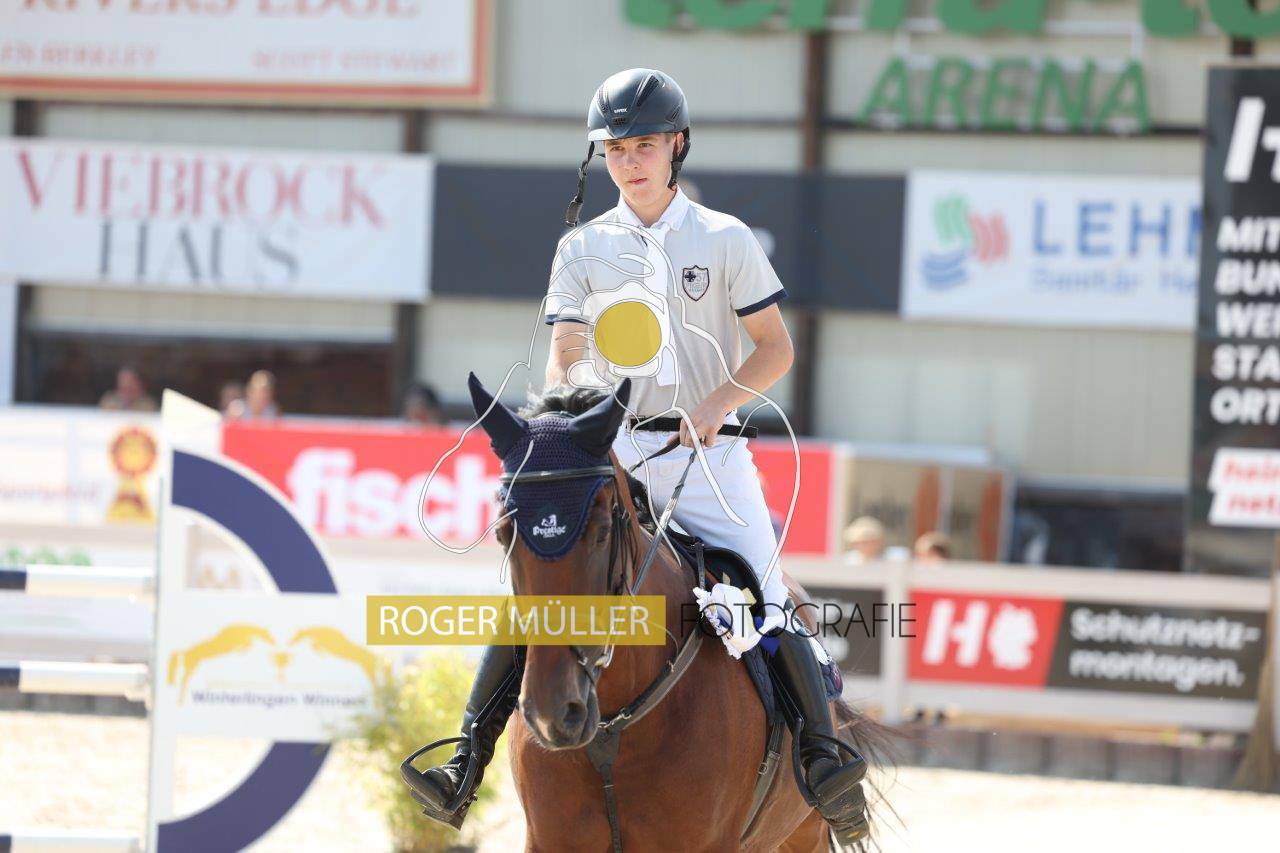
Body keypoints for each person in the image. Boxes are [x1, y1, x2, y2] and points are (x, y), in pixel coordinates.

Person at [410, 68, 868, 836]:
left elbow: (775, 347)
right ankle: (465, 757)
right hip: (611, 451)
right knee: (546, 585)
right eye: (617, 149)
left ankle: (825, 761)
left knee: (764, 595)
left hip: (709, 457)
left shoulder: (724, 238)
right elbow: (565, 352)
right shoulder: (582, 246)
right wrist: (575, 406)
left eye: (644, 146)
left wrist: (717, 403)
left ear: (676, 145)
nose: (630, 161)